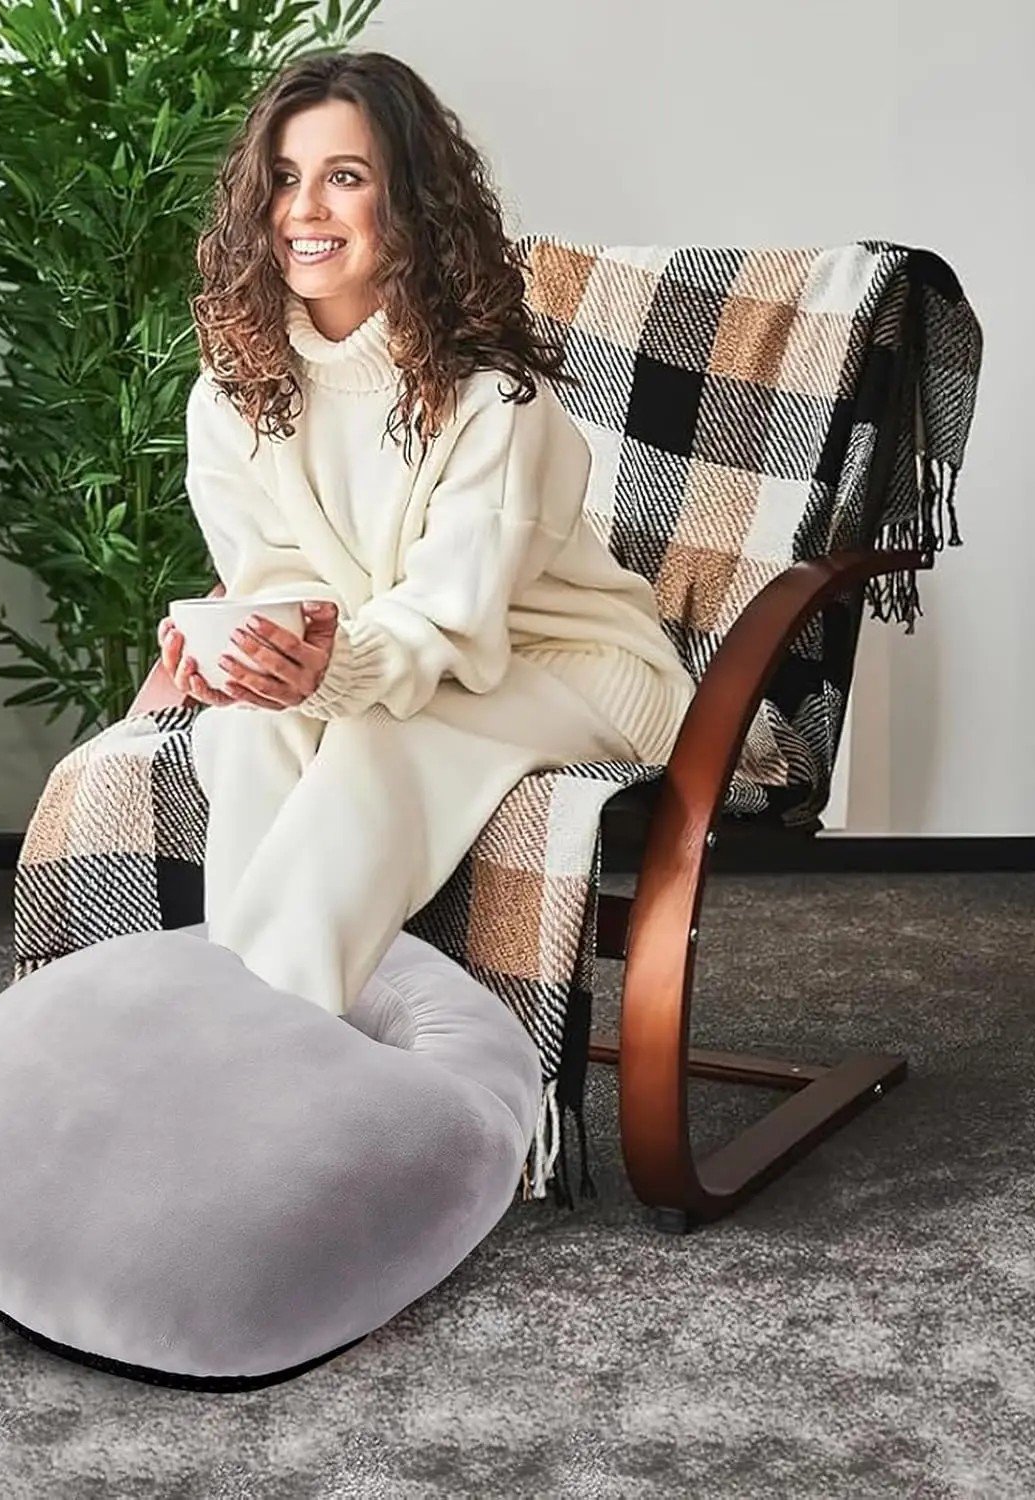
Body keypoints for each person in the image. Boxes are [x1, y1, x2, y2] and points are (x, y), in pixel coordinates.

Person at [156, 50, 695, 1017]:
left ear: (409, 202)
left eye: (345, 177)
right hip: (390, 667)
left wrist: (331, 670)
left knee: (376, 746)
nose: (304, 209)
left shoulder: (493, 398)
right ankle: (264, 1034)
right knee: (248, 732)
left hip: (570, 670)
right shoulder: (229, 397)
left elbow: (452, 621)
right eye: (283, 177)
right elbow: (277, 584)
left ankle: (248, 1053)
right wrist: (253, 659)